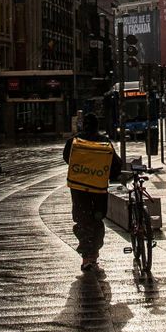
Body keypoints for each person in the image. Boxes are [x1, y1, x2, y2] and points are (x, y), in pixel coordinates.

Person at [63, 112, 122, 271]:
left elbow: (67, 158)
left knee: (83, 221)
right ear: (97, 126)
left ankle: (86, 257)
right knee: (97, 220)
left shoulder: (73, 141)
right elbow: (115, 164)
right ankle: (94, 255)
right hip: (98, 190)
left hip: (79, 188)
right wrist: (112, 175)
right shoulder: (104, 141)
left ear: (83, 125)